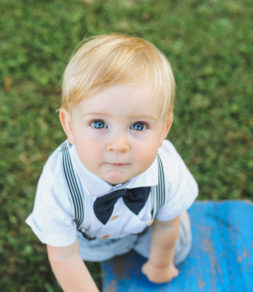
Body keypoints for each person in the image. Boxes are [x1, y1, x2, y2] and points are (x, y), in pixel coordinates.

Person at [26, 34, 198, 291]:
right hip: (92, 240)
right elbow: (64, 255)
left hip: (146, 230)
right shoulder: (59, 183)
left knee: (179, 245)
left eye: (139, 125)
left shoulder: (167, 169)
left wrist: (160, 264)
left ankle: (171, 207)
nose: (118, 145)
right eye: (99, 124)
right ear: (69, 126)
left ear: (164, 129)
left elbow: (167, 225)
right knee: (81, 257)